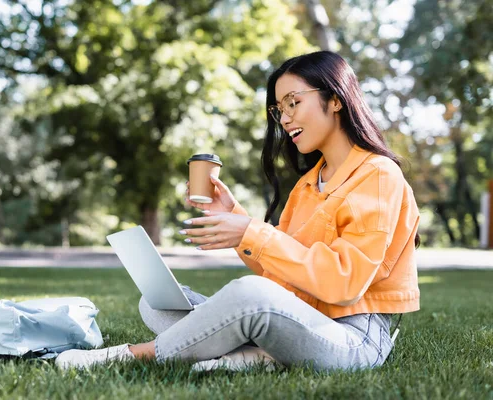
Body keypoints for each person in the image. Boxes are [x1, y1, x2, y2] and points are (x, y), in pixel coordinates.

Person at [56, 50, 420, 371]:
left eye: (293, 102)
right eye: (279, 110)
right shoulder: (310, 183)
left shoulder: (377, 175)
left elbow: (343, 283)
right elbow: (286, 270)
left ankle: (135, 355)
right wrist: (236, 216)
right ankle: (260, 356)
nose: (285, 119)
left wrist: (249, 231)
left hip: (352, 338)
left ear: (336, 99)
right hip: (301, 319)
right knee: (157, 305)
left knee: (249, 294)